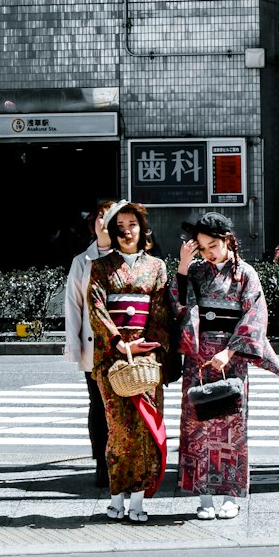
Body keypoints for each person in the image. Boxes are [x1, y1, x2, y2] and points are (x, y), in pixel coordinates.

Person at [172, 212, 279, 519]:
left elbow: (254, 316)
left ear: (227, 240)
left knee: (231, 428)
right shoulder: (195, 270)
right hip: (198, 355)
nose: (208, 253)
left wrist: (230, 352)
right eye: (203, 247)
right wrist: (182, 266)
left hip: (229, 358)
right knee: (197, 425)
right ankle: (203, 495)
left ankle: (230, 495)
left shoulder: (245, 273)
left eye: (213, 246)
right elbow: (178, 306)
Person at [87, 201, 171, 523]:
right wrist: (118, 342)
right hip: (114, 358)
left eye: (132, 224)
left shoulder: (157, 268)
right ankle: (115, 498)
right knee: (119, 430)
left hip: (146, 358)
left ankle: (138, 498)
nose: (126, 231)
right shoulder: (101, 267)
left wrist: (148, 346)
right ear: (112, 231)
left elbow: (161, 311)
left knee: (146, 430)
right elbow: (96, 307)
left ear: (142, 228)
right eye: (119, 226)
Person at [63, 198, 119, 487]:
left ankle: (126, 460)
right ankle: (102, 463)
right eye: (99, 215)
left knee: (126, 405)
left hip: (126, 347)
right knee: (98, 405)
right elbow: (73, 306)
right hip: (94, 345)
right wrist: (74, 346)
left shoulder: (131, 255)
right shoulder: (81, 261)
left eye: (108, 216)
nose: (102, 221)